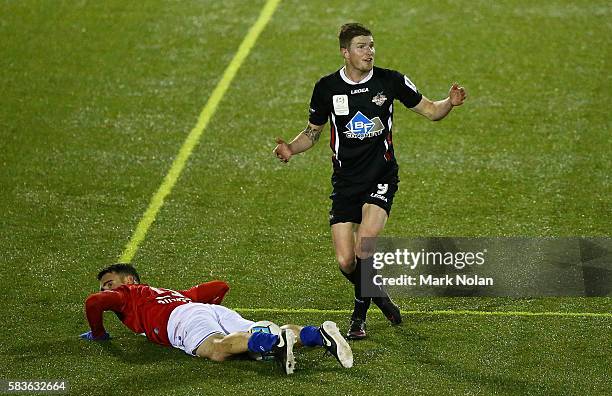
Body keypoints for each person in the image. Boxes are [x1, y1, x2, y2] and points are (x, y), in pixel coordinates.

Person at [273, 23, 467, 340]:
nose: (369, 52)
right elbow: (313, 132)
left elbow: (431, 111)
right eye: (362, 46)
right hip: (346, 183)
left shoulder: (390, 81)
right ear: (345, 52)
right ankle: (379, 297)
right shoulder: (326, 88)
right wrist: (290, 149)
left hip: (381, 176)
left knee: (365, 248)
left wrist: (449, 102)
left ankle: (357, 320)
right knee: (346, 260)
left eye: (372, 45)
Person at [80, 263, 353, 375]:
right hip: (203, 309)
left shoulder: (127, 293)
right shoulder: (169, 293)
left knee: (217, 348)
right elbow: (219, 286)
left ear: (129, 280)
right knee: (250, 332)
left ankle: (275, 344)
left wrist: (98, 333)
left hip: (181, 320)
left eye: (108, 283)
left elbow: (93, 303)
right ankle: (317, 334)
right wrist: (209, 311)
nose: (105, 290)